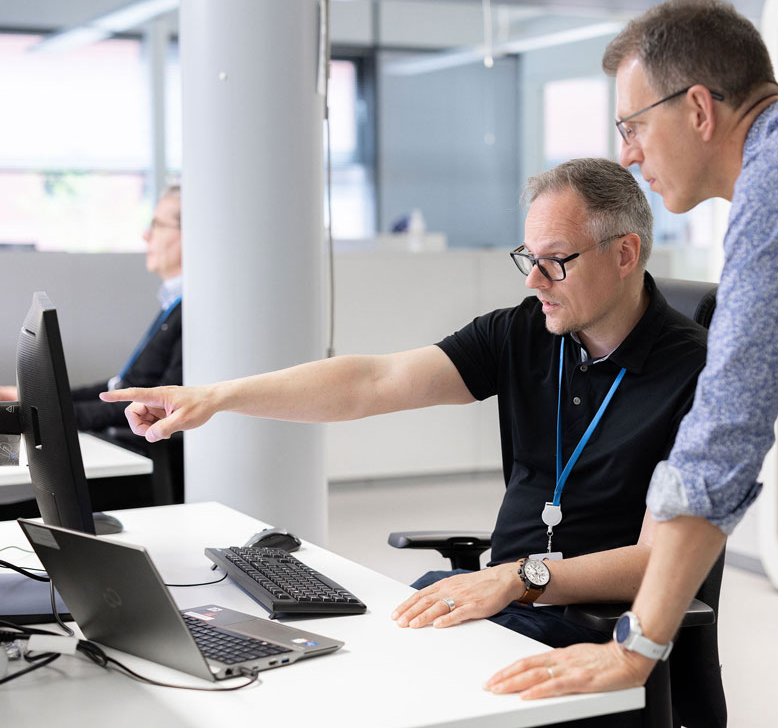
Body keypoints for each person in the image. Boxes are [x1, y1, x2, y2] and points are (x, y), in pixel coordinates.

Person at [103, 159, 721, 726]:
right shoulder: (527, 331)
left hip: (597, 632)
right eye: (527, 258)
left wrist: (519, 578)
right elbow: (371, 382)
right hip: (499, 606)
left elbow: (661, 559)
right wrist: (217, 397)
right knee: (329, 676)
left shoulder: (699, 373)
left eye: (556, 260)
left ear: (624, 253)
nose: (535, 280)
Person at [483, 0, 778, 701]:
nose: (627, 153)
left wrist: (636, 648)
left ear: (699, 109)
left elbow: (726, 431)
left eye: (633, 126)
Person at [0, 186, 183, 431]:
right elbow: (120, 388)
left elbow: (158, 406)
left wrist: (46, 416)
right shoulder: (173, 304)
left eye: (157, 225)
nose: (146, 236)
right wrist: (37, 401)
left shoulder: (190, 311)